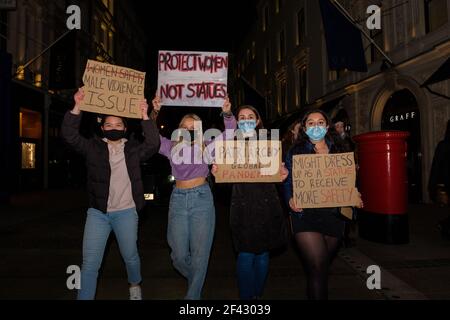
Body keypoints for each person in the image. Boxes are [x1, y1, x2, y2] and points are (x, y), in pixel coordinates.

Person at [61, 88, 160, 300]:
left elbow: (153, 144)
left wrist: (145, 115)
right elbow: (69, 136)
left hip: (126, 212)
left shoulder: (133, 149)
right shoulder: (92, 148)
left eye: (118, 125)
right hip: (98, 214)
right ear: (102, 128)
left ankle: (134, 284)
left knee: (130, 257)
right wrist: (77, 105)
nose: (113, 128)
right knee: (89, 263)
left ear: (125, 128)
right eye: (108, 125)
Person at [151, 95, 236, 300]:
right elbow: (151, 136)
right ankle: (196, 277)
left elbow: (231, 132)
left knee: (200, 255)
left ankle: (192, 298)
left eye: (193, 127)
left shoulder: (207, 145)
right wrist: (154, 113)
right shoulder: (171, 146)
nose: (189, 130)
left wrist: (227, 112)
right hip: (178, 199)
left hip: (202, 199)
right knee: (178, 255)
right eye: (185, 126)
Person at [211, 105, 289, 300]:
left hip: (267, 206)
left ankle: (257, 296)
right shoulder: (229, 146)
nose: (246, 120)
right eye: (242, 117)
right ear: (236, 122)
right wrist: (218, 174)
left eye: (250, 116)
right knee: (245, 255)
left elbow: (278, 180)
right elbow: (225, 189)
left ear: (257, 121)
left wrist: (283, 175)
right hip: (242, 209)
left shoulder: (270, 144)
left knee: (262, 255)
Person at [283, 109, 363, 300]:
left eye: (320, 122)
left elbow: (348, 182)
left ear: (327, 127)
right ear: (304, 127)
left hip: (334, 215)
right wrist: (289, 198)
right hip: (305, 215)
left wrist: (355, 195)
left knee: (321, 269)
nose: (316, 126)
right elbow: (287, 182)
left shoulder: (341, 151)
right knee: (318, 265)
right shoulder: (295, 151)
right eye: (311, 123)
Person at [333, 119, 356, 247]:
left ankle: (345, 235)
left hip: (347, 178)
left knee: (347, 207)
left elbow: (352, 153)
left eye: (342, 126)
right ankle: (338, 235)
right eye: (337, 126)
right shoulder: (331, 141)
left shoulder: (348, 140)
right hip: (336, 178)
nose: (340, 128)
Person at [429, 120, 450, 238]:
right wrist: (439, 186)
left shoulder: (443, 145)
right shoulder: (443, 145)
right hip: (446, 184)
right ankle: (444, 226)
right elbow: (438, 167)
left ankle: (444, 226)